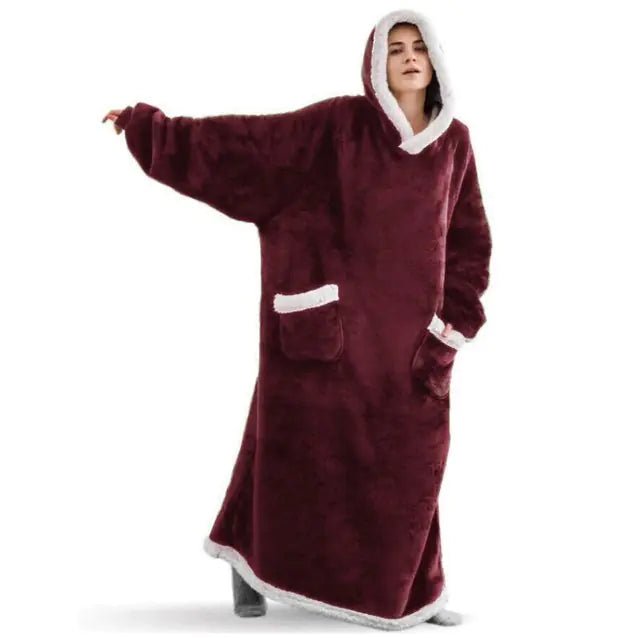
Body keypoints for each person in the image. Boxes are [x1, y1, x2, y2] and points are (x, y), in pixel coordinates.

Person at [103, 8, 492, 631]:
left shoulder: (456, 144)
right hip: (328, 337)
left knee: (412, 467)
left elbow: (469, 241)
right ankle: (250, 565)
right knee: (291, 457)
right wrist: (152, 131)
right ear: (376, 64)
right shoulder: (338, 126)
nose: (409, 57)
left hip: (412, 347)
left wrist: (452, 327)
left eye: (418, 47)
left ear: (437, 59)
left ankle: (414, 591)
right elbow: (248, 148)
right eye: (395, 49)